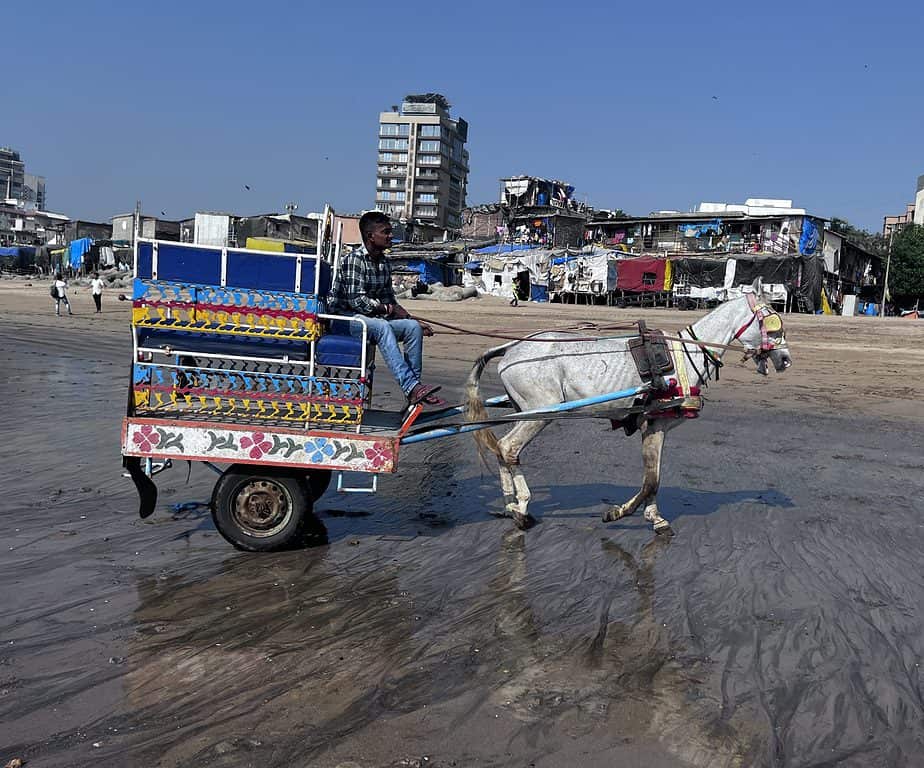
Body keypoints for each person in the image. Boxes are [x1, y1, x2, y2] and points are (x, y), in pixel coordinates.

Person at [329, 211, 441, 406]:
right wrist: (388, 309)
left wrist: (411, 320)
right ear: (371, 236)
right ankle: (411, 386)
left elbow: (390, 300)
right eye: (386, 232)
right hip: (344, 320)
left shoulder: (384, 263)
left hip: (369, 321)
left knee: (412, 329)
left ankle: (414, 391)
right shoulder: (354, 260)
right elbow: (357, 302)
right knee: (382, 327)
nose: (391, 236)